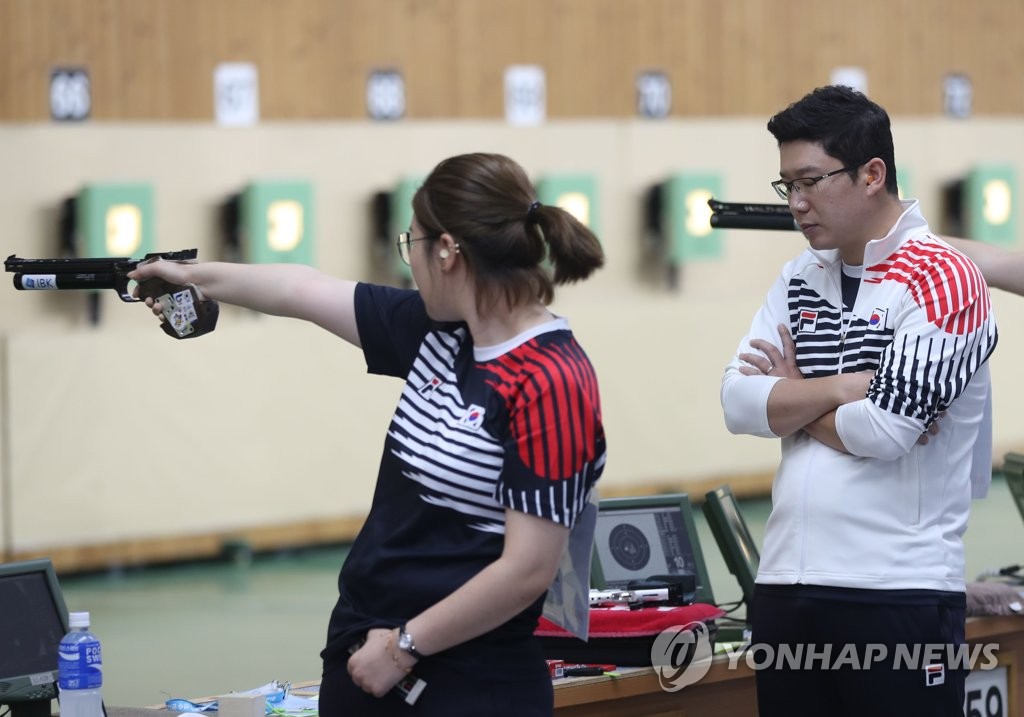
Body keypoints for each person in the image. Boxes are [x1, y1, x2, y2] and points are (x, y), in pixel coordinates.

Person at [129, 152, 607, 716]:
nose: (411, 264)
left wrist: (405, 646)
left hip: (467, 679)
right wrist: (190, 275)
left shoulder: (552, 380)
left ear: (449, 251)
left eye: (415, 245)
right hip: (368, 659)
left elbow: (527, 570)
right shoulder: (439, 331)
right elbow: (301, 290)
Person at [720, 85, 998, 716]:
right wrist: (846, 387)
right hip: (786, 585)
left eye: (811, 181)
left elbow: (883, 433)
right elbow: (737, 403)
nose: (796, 203)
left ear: (873, 174)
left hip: (896, 589)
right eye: (786, 184)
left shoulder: (944, 277)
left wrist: (789, 395)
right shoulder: (798, 276)